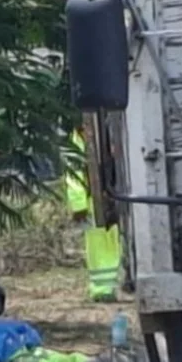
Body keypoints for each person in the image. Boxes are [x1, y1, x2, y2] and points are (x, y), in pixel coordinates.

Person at [64, 129, 122, 303]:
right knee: (102, 247)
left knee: (107, 246)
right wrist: (79, 205)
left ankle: (108, 288)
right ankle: (104, 289)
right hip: (94, 201)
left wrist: (78, 205)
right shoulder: (80, 138)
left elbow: (74, 175)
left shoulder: (84, 137)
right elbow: (74, 176)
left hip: (103, 199)